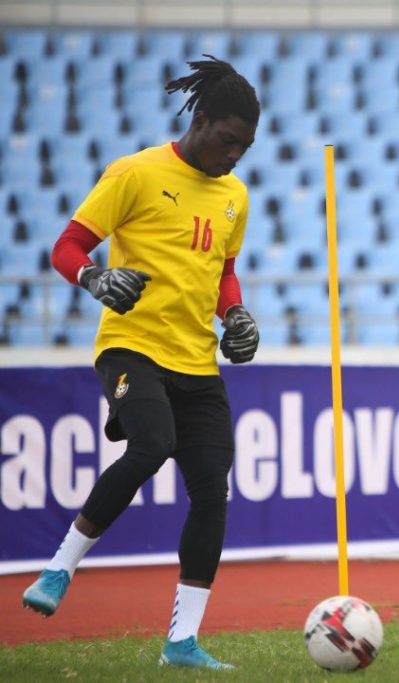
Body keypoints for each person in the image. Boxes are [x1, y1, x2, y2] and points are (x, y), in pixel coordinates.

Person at [22, 55, 261, 670]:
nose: (235, 156)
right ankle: (58, 569)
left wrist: (234, 316)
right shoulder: (135, 173)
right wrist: (95, 278)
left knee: (213, 494)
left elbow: (224, 274)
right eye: (229, 141)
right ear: (200, 120)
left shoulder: (235, 195)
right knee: (152, 445)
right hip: (132, 346)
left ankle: (181, 642)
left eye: (246, 146)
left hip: (197, 363)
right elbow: (67, 245)